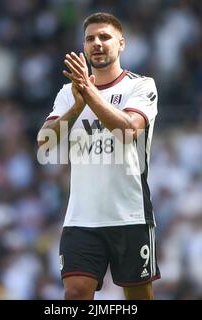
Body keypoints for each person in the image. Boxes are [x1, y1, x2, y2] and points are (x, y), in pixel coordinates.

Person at [37, 12, 160, 300]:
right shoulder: (69, 93)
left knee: (138, 296)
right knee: (76, 292)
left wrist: (90, 93)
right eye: (90, 38)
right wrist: (77, 107)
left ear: (121, 43)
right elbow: (44, 143)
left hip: (129, 214)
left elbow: (129, 128)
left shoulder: (140, 86)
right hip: (82, 216)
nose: (97, 43)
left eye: (105, 37)